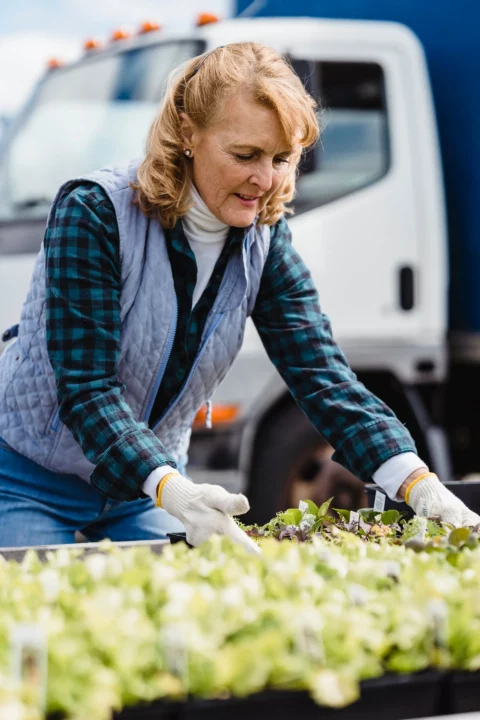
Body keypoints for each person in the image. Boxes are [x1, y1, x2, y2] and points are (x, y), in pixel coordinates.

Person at [0, 43, 478, 552]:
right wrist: (177, 492)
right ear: (187, 133)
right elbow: (87, 389)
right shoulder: (95, 214)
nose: (266, 180)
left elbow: (322, 378)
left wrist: (418, 483)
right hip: (33, 478)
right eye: (245, 155)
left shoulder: (264, 240)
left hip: (142, 491)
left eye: (282, 159)